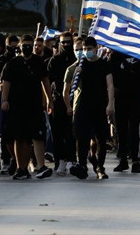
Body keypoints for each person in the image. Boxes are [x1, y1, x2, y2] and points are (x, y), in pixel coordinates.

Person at [0, 34, 53, 180]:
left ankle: (41, 166)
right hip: (17, 106)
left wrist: (49, 100)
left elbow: (45, 81)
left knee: (37, 136)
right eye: (25, 45)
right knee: (20, 138)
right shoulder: (12, 63)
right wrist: (4, 100)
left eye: (30, 45)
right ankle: (21, 168)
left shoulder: (39, 62)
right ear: (20, 47)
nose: (28, 48)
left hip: (35, 105)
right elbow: (6, 83)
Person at [66, 38, 114, 180]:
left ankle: (100, 167)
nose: (87, 52)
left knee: (101, 138)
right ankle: (82, 165)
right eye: (84, 49)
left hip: (99, 105)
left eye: (89, 49)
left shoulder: (104, 64)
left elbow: (110, 85)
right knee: (82, 137)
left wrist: (110, 104)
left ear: (96, 48)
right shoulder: (80, 64)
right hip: (83, 105)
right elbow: (72, 86)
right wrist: (78, 72)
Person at [47, 32, 77, 175]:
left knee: (71, 132)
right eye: (63, 42)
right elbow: (47, 81)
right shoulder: (54, 60)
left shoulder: (76, 59)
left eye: (68, 42)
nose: (66, 45)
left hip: (74, 100)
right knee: (57, 133)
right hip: (58, 100)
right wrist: (49, 101)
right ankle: (60, 161)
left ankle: (72, 159)